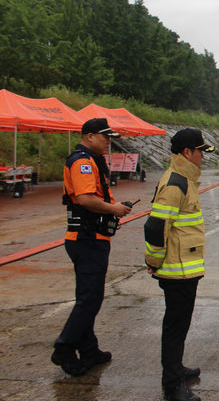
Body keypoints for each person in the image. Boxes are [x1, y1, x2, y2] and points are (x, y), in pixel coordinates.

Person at [51, 118, 133, 376]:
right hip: (86, 239)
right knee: (90, 299)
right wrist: (114, 209)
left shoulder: (91, 160)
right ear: (88, 136)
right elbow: (86, 199)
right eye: (104, 136)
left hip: (90, 237)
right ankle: (64, 347)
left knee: (88, 297)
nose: (108, 141)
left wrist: (111, 207)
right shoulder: (83, 162)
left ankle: (89, 348)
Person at [144, 128, 215, 401]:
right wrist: (153, 261)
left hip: (185, 267)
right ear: (188, 152)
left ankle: (176, 369)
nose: (203, 157)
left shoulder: (185, 179)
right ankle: (173, 384)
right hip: (177, 270)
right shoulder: (176, 183)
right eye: (200, 152)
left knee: (180, 324)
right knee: (175, 326)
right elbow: (156, 227)